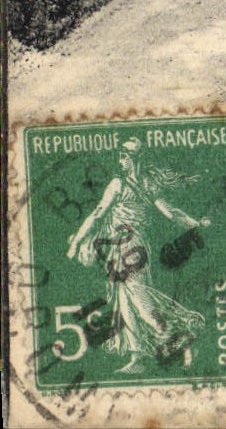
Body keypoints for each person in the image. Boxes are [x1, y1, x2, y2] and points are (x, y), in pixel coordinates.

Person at [65, 138, 210, 373]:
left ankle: (179, 335)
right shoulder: (137, 185)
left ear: (136, 159)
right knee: (125, 303)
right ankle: (138, 357)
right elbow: (98, 215)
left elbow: (98, 215)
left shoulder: (124, 185)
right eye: (121, 155)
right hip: (121, 249)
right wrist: (196, 223)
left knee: (139, 299)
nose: (121, 160)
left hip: (133, 248)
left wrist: (195, 223)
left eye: (125, 155)